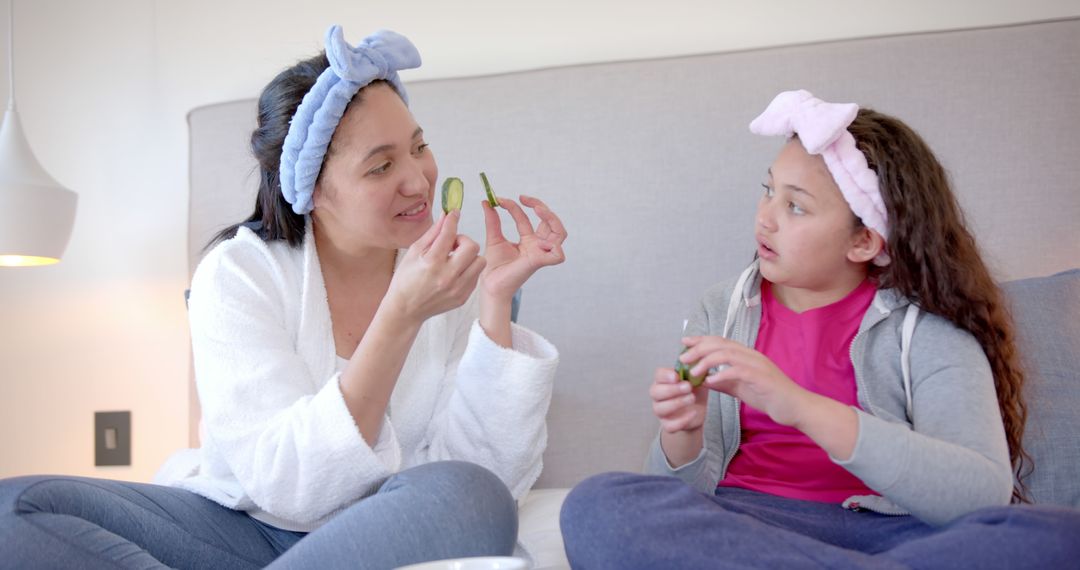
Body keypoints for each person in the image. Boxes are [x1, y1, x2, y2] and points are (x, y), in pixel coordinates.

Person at [0, 25, 566, 569]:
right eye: (382, 166)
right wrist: (399, 315)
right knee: (15, 511)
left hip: (382, 534)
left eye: (419, 147)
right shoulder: (239, 273)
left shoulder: (447, 278)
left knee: (473, 495)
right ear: (314, 189)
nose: (418, 180)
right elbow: (288, 487)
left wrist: (493, 302)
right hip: (234, 530)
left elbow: (489, 472)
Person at [559, 89, 1080, 568]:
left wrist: (799, 405)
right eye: (768, 191)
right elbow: (676, 489)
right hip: (747, 527)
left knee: (1055, 536)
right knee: (600, 505)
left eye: (795, 206)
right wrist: (684, 433)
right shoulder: (723, 308)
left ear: (864, 242)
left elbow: (978, 494)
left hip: (893, 537)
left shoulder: (928, 329)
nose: (765, 218)